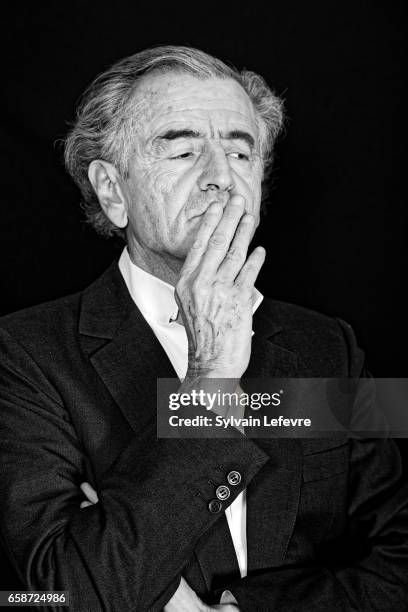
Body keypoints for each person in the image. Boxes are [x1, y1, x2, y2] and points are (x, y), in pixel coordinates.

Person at [0, 45, 407, 612]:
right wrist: (212, 377)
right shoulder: (21, 354)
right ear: (112, 191)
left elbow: (399, 562)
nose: (221, 178)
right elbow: (44, 596)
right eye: (185, 150)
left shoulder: (330, 347)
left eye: (242, 155)